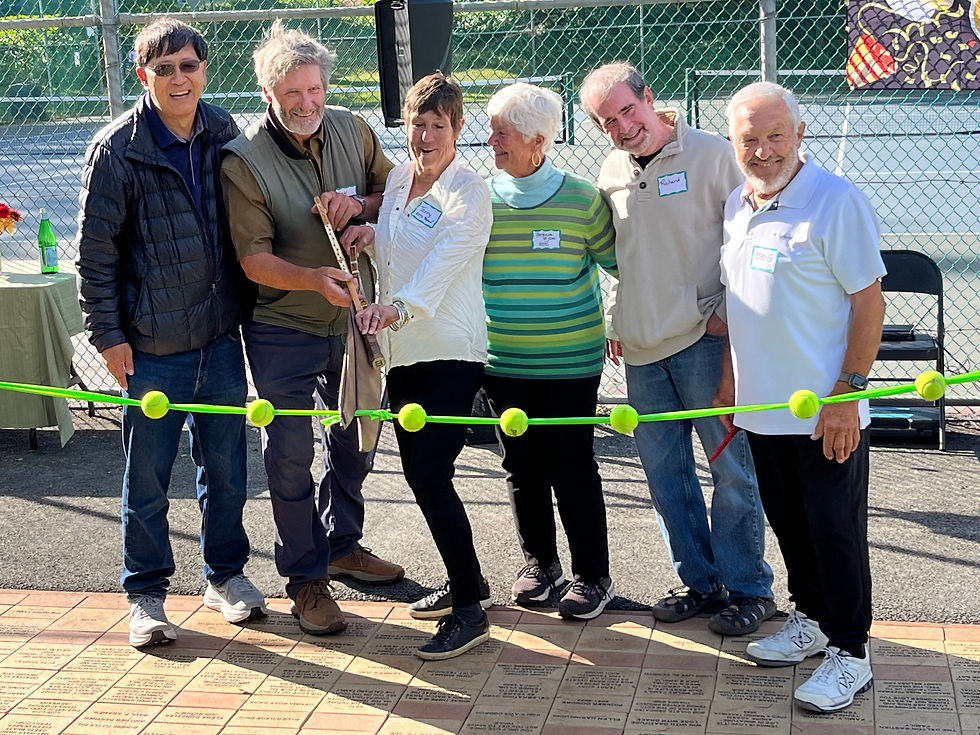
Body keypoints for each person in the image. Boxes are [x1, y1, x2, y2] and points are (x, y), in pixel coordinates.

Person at [75, 18, 266, 648]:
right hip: (151, 344)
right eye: (164, 68)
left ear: (204, 70)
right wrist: (110, 338)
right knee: (147, 474)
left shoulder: (223, 131)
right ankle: (147, 595)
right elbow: (95, 257)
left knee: (228, 467)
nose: (178, 78)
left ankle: (225, 577)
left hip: (218, 339)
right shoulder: (117, 149)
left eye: (188, 65)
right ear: (143, 75)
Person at [579, 62, 775, 635]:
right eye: (606, 120)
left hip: (703, 342)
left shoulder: (715, 155)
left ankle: (748, 589)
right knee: (666, 476)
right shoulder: (612, 169)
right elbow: (622, 257)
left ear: (650, 100)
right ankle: (699, 581)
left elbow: (749, 238)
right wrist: (618, 318)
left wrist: (725, 313)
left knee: (731, 470)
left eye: (627, 110)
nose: (622, 126)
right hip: (641, 348)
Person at [220, 21, 402, 637]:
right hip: (282, 325)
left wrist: (364, 211)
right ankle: (305, 579)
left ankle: (342, 545)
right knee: (290, 454)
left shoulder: (353, 127)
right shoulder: (243, 160)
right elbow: (253, 259)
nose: (306, 104)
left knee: (359, 437)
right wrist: (314, 278)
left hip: (354, 321)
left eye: (315, 90)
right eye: (291, 94)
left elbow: (394, 192)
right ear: (267, 93)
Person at [720, 81, 885, 713]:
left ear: (800, 135)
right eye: (749, 139)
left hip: (826, 411)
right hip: (763, 409)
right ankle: (812, 619)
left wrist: (848, 391)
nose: (763, 151)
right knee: (791, 523)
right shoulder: (739, 202)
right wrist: (732, 379)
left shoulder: (835, 199)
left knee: (835, 530)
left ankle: (851, 651)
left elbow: (868, 299)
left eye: (774, 136)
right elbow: (746, 302)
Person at [355, 73, 493, 660]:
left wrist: (396, 308)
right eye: (418, 122)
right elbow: (397, 242)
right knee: (422, 474)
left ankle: (469, 608)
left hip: (450, 350)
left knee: (430, 475)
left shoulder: (470, 190)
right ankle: (472, 584)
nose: (426, 134)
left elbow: (443, 261)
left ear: (458, 130)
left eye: (439, 124)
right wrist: (366, 234)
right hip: (402, 352)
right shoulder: (398, 183)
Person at [481, 82, 618, 620]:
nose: (490, 140)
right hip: (503, 363)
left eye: (501, 132)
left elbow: (618, 268)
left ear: (538, 139)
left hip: (570, 365)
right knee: (521, 467)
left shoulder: (583, 200)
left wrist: (624, 323)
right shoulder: (481, 199)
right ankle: (540, 565)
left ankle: (592, 576)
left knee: (573, 467)